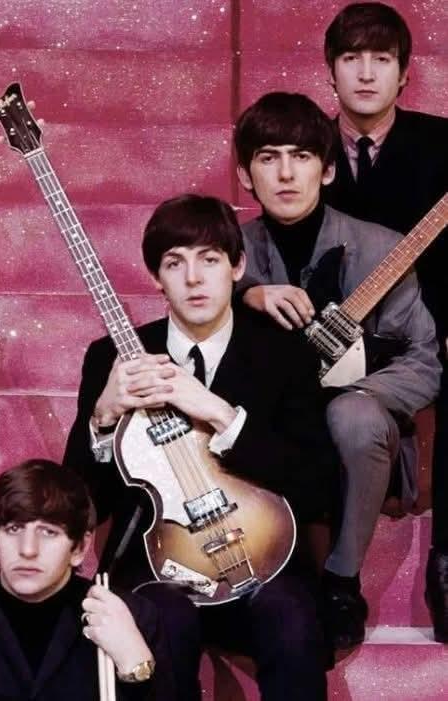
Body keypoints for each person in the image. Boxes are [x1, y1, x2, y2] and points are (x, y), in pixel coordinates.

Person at [64, 193, 338, 700]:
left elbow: (317, 485)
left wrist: (219, 413)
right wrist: (102, 417)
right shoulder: (110, 358)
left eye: (209, 260)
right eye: (175, 263)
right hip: (159, 568)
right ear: (156, 277)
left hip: (262, 560)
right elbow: (77, 507)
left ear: (237, 267)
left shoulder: (284, 355)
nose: (193, 278)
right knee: (160, 619)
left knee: (291, 617)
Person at [234, 90, 441, 649]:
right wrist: (247, 294)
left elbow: (424, 360)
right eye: (269, 158)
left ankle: (342, 583)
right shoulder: (226, 254)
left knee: (353, 416)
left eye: (301, 157)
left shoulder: (381, 248)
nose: (286, 174)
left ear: (327, 171)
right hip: (260, 429)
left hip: (353, 425)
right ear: (245, 174)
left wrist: (350, 391)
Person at [322, 1, 448, 641]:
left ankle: (447, 566)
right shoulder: (304, 146)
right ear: (331, 71)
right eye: (352, 58)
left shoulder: (443, 143)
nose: (366, 73)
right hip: (331, 334)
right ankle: (316, 578)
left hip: (431, 326)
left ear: (405, 73)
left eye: (381, 59)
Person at [0, 459, 174, 700]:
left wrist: (135, 665)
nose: (28, 549)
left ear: (80, 548)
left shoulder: (135, 617)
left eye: (49, 532)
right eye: (14, 529)